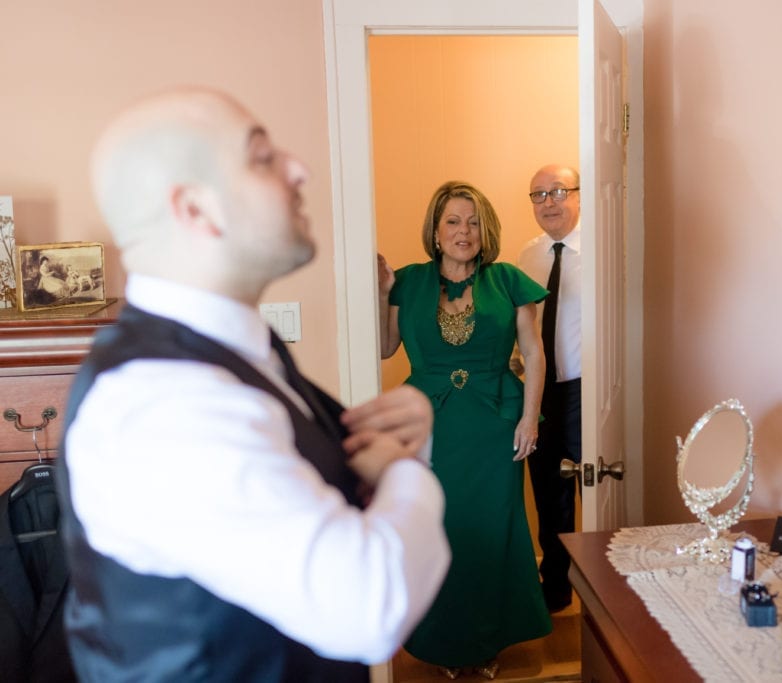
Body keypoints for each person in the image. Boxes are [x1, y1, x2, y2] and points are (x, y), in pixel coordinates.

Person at [57, 86, 450, 682]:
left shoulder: (238, 352)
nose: (301, 168)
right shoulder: (164, 405)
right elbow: (369, 607)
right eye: (263, 157)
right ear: (196, 209)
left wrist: (400, 439)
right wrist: (406, 472)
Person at [378, 180, 552, 679]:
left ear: (486, 230)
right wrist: (380, 291)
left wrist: (529, 418)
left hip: (495, 424)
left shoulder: (509, 281)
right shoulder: (408, 282)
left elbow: (535, 354)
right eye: (453, 221)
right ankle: (442, 640)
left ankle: (484, 643)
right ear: (435, 230)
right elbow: (387, 347)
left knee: (493, 532)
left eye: (474, 222)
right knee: (439, 527)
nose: (464, 231)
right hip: (429, 427)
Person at [516, 164, 583, 613]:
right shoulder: (528, 256)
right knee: (548, 490)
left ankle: (603, 587)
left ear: (579, 195)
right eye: (538, 195)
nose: (549, 203)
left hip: (589, 391)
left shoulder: (603, 250)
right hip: (541, 391)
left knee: (595, 487)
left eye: (558, 191)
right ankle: (555, 585)